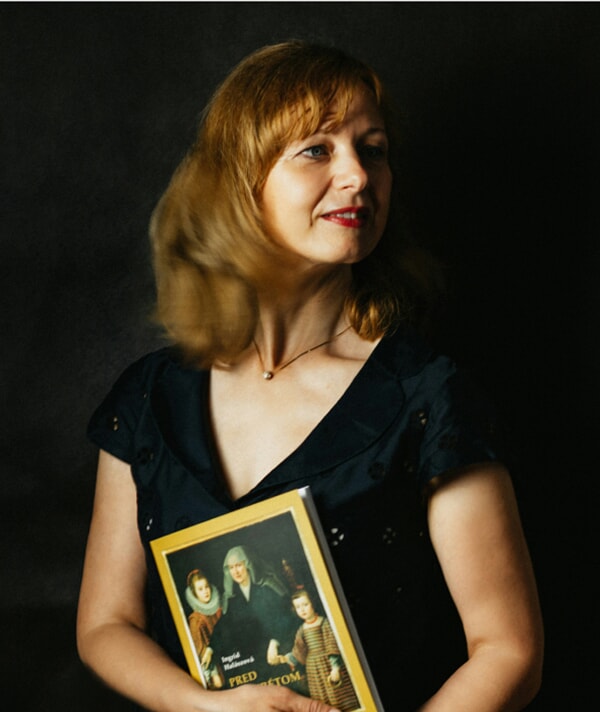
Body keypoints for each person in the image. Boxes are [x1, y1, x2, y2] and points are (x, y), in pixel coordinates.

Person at [77, 40, 544, 712]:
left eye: (373, 150)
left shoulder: (427, 396)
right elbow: (104, 625)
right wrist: (204, 708)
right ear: (242, 182)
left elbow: (509, 650)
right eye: (317, 149)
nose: (357, 175)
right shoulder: (149, 397)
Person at [207, 546, 299, 686]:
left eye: (239, 565)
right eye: (231, 568)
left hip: (273, 656)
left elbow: (284, 617)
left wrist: (275, 641)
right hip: (251, 661)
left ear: (248, 565)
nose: (236, 571)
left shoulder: (266, 588)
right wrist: (210, 648)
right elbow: (223, 625)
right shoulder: (233, 599)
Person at [270, 590, 359, 712]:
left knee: (338, 695)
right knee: (321, 699)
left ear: (313, 603)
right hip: (313, 670)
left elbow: (331, 645)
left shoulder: (324, 623)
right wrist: (283, 659)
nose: (302, 610)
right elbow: (299, 651)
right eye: (298, 607)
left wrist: (335, 668)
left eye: (305, 605)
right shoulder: (302, 629)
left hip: (328, 664)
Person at [184, 569, 223, 689]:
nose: (205, 591)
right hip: (214, 665)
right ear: (194, 593)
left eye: (206, 587)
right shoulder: (196, 620)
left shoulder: (219, 609)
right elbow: (201, 651)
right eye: (200, 589)